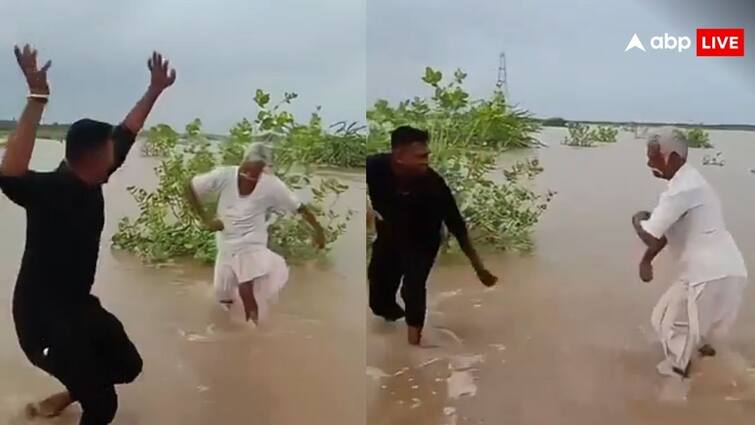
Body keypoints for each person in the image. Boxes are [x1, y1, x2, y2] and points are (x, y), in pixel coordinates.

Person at [0, 45, 175, 424]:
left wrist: (155, 89)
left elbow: (129, 130)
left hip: (79, 306)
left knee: (127, 366)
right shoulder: (49, 192)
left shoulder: (95, 174)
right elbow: (11, 171)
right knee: (103, 406)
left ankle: (72, 390)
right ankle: (81, 388)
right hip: (42, 322)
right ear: (94, 158)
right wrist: (36, 97)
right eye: (113, 151)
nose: (121, 153)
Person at [632, 128, 748, 378]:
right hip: (726, 272)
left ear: (672, 158)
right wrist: (646, 261)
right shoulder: (691, 183)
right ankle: (710, 374)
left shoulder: (680, 191)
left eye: (653, 156)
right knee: (667, 320)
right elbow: (663, 233)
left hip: (706, 275)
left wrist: (637, 219)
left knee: (673, 330)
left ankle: (677, 393)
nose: (648, 162)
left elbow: (651, 235)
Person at [366, 126, 498, 346]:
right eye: (420, 157)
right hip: (389, 234)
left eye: (427, 156)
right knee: (378, 301)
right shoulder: (374, 167)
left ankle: (413, 347)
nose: (425, 161)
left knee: (413, 287)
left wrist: (479, 267)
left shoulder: (434, 186)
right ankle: (398, 321)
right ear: (399, 156)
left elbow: (458, 227)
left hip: (423, 240)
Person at [186, 142, 327, 324]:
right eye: (247, 169)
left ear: (264, 169)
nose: (250, 175)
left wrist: (318, 230)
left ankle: (254, 333)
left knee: (246, 289)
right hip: (226, 245)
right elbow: (189, 187)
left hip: (252, 242)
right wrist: (206, 219)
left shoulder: (272, 185)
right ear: (242, 162)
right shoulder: (224, 175)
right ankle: (229, 329)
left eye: (256, 171)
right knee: (223, 295)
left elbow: (299, 208)